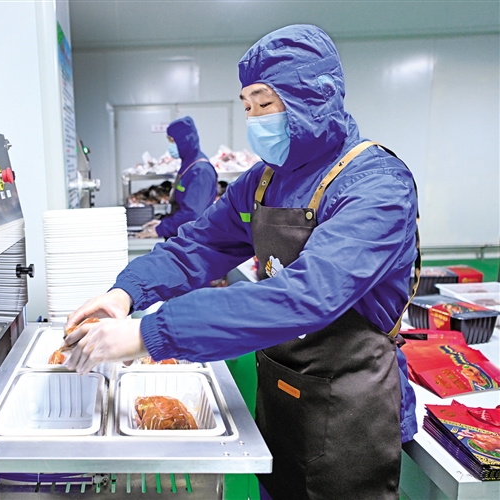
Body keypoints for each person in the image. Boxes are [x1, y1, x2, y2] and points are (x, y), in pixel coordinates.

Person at [64, 24, 419, 500]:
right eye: (247, 106)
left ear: (314, 98)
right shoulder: (263, 181)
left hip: (350, 405)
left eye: (264, 103)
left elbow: (305, 297)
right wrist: (125, 292)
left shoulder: (376, 184)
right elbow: (199, 245)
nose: (254, 119)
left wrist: (151, 332)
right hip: (282, 392)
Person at [136, 116, 217, 239]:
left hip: (195, 240)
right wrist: (162, 223)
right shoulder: (188, 165)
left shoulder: (200, 171)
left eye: (172, 141)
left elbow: (192, 215)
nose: (170, 146)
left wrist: (161, 229)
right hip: (184, 235)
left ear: (184, 140)